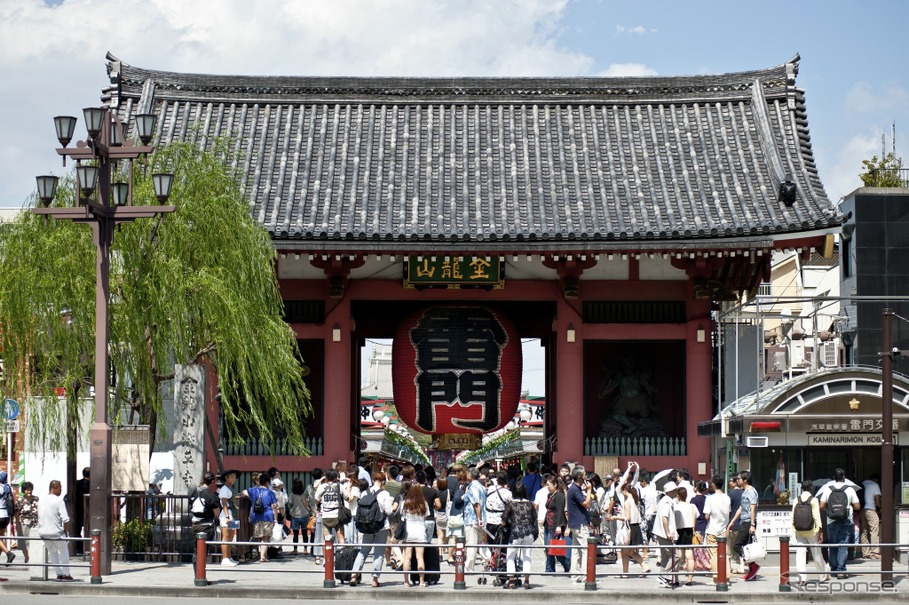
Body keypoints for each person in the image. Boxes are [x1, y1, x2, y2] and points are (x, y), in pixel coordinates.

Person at [349, 472, 397, 588]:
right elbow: (389, 511)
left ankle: (354, 575)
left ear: (373, 480)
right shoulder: (385, 493)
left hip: (367, 526)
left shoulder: (365, 492)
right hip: (381, 526)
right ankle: (375, 579)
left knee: (363, 551)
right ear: (383, 481)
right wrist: (391, 504)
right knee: (379, 553)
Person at [819, 468, 860, 579]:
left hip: (831, 521)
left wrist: (831, 509)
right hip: (846, 520)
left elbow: (821, 506)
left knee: (832, 545)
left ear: (833, 478)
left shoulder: (828, 489)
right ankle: (841, 570)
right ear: (844, 477)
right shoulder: (849, 489)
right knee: (843, 544)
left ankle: (833, 569)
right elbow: (857, 506)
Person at [791, 479, 828, 586]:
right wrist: (820, 531)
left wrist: (794, 528)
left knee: (800, 554)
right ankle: (822, 576)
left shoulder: (796, 500)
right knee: (816, 553)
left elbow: (793, 516)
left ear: (801, 488)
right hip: (812, 531)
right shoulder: (813, 500)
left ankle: (801, 578)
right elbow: (817, 517)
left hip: (799, 531)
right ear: (810, 488)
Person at [612, 478, 651, 577]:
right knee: (626, 552)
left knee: (628, 551)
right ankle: (625, 573)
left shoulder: (627, 502)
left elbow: (627, 518)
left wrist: (616, 517)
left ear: (625, 491)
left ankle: (644, 566)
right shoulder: (634, 500)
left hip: (630, 528)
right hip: (636, 526)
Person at [501, 483, 536, 589]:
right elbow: (534, 517)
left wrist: (508, 523)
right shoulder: (530, 504)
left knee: (510, 556)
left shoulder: (511, 504)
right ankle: (526, 580)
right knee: (527, 556)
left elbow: (504, 518)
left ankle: (511, 581)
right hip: (528, 532)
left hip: (515, 532)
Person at [37, 479, 73, 581]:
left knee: (52, 552)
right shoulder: (58, 500)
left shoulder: (41, 500)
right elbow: (65, 519)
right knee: (64, 551)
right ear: (55, 488)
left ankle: (59, 573)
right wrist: (66, 532)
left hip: (43, 532)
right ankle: (66, 574)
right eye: (60, 488)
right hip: (56, 532)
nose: (61, 490)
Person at [728, 470, 759, 581]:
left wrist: (752, 524)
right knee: (746, 547)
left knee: (737, 545)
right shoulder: (744, 492)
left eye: (740, 478)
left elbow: (753, 509)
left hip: (748, 522)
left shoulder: (751, 491)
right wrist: (732, 521)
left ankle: (753, 567)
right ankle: (752, 571)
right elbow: (741, 508)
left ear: (745, 480)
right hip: (743, 521)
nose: (738, 480)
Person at [565, 464, 593, 583]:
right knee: (586, 549)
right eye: (585, 474)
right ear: (580, 476)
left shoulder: (573, 488)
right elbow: (586, 504)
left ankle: (575, 575)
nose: (586, 476)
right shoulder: (575, 489)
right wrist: (590, 490)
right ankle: (586, 575)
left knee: (576, 550)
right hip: (579, 523)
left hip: (574, 523)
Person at [243, 472, 279, 562]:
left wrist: (251, 498)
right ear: (267, 482)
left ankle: (264, 555)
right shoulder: (270, 493)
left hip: (256, 516)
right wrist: (275, 519)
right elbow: (274, 506)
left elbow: (244, 492)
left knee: (260, 537)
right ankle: (262, 557)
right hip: (267, 516)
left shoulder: (254, 490)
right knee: (265, 537)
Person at [702, 474, 731, 584]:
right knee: (724, 554)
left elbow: (706, 515)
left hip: (712, 529)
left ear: (713, 485)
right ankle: (726, 578)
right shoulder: (727, 498)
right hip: (723, 529)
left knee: (714, 555)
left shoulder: (710, 498)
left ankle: (716, 578)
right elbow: (728, 512)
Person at [400, 483, 428, 587]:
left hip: (408, 532)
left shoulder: (405, 503)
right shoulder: (424, 503)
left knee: (407, 558)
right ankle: (421, 581)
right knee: (420, 558)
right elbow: (425, 517)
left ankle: (406, 581)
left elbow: (402, 516)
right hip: (420, 533)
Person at [653, 481, 679, 588]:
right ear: (670, 491)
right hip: (665, 533)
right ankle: (664, 576)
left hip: (660, 532)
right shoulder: (667, 502)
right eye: (675, 490)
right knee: (675, 556)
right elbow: (665, 517)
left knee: (665, 557)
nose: (677, 492)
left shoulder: (663, 500)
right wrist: (668, 531)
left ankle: (664, 580)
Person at [543, 475, 570, 574]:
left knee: (553, 547)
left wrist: (559, 525)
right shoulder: (550, 495)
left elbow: (559, 511)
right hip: (548, 523)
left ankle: (567, 564)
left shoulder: (559, 495)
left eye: (549, 485)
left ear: (555, 484)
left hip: (555, 524)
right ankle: (549, 568)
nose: (547, 487)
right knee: (547, 547)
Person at [315, 468, 345, 546]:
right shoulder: (340, 486)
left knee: (326, 541)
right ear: (336, 477)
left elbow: (316, 501)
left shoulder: (321, 487)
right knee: (341, 539)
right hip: (338, 516)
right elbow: (348, 498)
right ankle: (342, 557)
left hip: (326, 516)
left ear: (326, 477)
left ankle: (327, 558)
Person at [673, 486, 696, 585]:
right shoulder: (692, 506)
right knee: (689, 557)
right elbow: (696, 517)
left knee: (678, 556)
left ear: (678, 495)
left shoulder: (675, 506)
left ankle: (676, 579)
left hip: (678, 531)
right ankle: (690, 578)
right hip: (689, 530)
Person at [190, 471, 221, 544]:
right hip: (206, 525)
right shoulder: (211, 496)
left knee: (196, 547)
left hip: (194, 524)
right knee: (204, 548)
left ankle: (195, 555)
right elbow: (216, 511)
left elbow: (191, 504)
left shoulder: (195, 493)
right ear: (212, 481)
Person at [218, 469, 240, 566]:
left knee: (231, 536)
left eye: (234, 477)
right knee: (226, 537)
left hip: (232, 513)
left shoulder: (230, 488)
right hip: (227, 514)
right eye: (231, 477)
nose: (233, 479)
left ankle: (229, 557)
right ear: (226, 478)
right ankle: (224, 558)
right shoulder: (224, 489)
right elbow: (224, 504)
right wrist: (227, 516)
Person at [13, 481, 39, 564]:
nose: (29, 491)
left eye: (30, 489)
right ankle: (27, 557)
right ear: (24, 490)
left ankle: (34, 557)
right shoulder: (20, 500)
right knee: (24, 542)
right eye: (27, 490)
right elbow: (16, 512)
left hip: (35, 523)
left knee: (34, 541)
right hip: (24, 523)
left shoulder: (36, 499)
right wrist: (17, 524)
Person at [860, 473, 882, 560]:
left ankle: (865, 553)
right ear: (876, 480)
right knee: (874, 530)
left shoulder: (862, 483)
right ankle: (875, 552)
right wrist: (879, 508)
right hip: (871, 509)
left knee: (864, 531)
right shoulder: (875, 484)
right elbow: (877, 498)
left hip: (862, 510)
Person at [726, 474, 743, 573]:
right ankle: (742, 565)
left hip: (731, 523)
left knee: (729, 547)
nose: (729, 483)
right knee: (741, 546)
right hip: (741, 523)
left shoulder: (730, 494)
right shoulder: (744, 493)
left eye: (731, 481)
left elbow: (728, 509)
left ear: (736, 482)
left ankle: (729, 566)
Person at [287, 478, 309, 553]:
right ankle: (305, 549)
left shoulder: (292, 494)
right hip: (305, 514)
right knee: (305, 533)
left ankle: (295, 549)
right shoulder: (305, 493)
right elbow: (307, 502)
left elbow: (290, 503)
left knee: (295, 534)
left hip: (294, 515)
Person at [73, 467, 89, 555]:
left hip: (78, 510)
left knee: (77, 530)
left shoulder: (77, 483)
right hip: (88, 511)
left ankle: (78, 548)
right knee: (88, 530)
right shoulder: (93, 484)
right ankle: (87, 547)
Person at [0, 472, 15, 566]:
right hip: (6, 515)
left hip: (0, 514)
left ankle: (8, 553)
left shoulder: (0, 488)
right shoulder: (9, 488)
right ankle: (8, 556)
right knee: (1, 538)